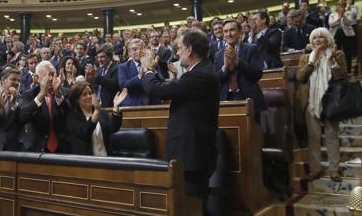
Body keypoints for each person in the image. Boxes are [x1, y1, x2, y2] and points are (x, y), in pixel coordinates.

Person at [140, 28, 220, 198]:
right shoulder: (199, 72)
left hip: (193, 155)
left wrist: (147, 70)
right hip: (189, 154)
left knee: (191, 205)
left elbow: (156, 89)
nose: (177, 52)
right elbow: (171, 89)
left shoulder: (200, 74)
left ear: (189, 50)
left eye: (179, 48)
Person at [296, 28, 347, 182]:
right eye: (315, 38)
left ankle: (334, 170)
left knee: (332, 136)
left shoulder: (338, 54)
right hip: (311, 101)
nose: (318, 40)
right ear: (311, 41)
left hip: (330, 100)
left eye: (321, 37)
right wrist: (312, 63)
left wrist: (331, 61)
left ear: (327, 39)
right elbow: (300, 77)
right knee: (313, 137)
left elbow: (342, 76)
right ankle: (315, 169)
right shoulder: (305, 57)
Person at [214, 19, 267, 120]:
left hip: (248, 98)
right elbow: (216, 79)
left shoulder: (252, 49)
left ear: (239, 32)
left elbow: (257, 74)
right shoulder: (218, 54)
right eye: (225, 31)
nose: (228, 34)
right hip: (226, 99)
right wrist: (225, 68)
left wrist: (238, 61)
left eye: (232, 30)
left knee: (252, 134)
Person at [65, 81, 127, 156]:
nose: (89, 96)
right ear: (77, 99)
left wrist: (116, 107)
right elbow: (85, 133)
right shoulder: (73, 116)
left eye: (90, 93)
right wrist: (96, 111)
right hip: (87, 162)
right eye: (84, 94)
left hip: (106, 159)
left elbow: (113, 128)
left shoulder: (102, 113)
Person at [21, 61, 67, 153]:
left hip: (62, 147)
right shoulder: (29, 94)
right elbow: (22, 117)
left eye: (53, 75)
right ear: (37, 78)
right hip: (36, 148)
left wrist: (58, 94)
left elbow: (70, 115)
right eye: (47, 75)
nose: (50, 78)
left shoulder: (65, 93)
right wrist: (41, 95)